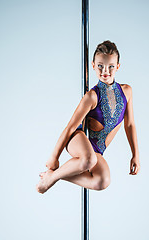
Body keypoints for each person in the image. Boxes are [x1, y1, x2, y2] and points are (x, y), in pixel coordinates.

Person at [36, 40, 140, 194]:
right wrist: (54, 157)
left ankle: (54, 176)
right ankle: (51, 179)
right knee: (89, 159)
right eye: (100, 66)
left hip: (97, 149)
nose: (105, 70)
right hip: (77, 137)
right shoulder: (92, 96)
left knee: (102, 180)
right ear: (93, 65)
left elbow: (129, 124)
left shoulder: (127, 91)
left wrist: (135, 155)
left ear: (118, 66)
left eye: (111, 66)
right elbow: (70, 126)